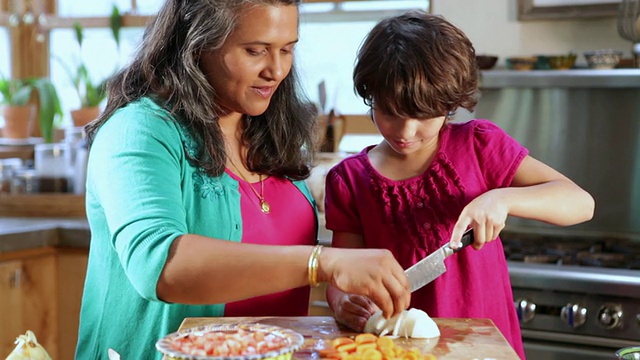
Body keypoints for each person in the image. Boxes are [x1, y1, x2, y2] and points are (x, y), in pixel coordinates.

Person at [75, 1, 411, 358]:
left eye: (287, 49)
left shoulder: (271, 131)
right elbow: (160, 266)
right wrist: (322, 263)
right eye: (255, 51)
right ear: (197, 42)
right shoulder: (138, 131)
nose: (277, 70)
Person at [323, 11, 595, 360]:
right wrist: (343, 300)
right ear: (368, 95)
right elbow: (341, 273)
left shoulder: (479, 147)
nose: (405, 132)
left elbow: (581, 203)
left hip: (482, 350)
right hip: (395, 350)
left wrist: (502, 199)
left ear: (450, 104)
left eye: (422, 115)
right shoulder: (349, 180)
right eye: (389, 112)